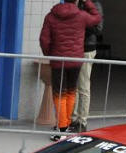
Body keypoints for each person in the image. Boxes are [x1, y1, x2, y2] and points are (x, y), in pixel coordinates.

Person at [40, 0, 101, 139]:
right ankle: (65, 125)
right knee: (71, 92)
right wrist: (88, 3)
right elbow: (97, 18)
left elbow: (44, 39)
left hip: (58, 61)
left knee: (59, 94)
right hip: (75, 60)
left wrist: (50, 54)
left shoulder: (51, 16)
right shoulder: (82, 16)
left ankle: (62, 129)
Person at [72, 0, 103, 133]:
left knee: (83, 86)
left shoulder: (95, 4)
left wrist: (81, 23)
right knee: (73, 85)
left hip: (86, 48)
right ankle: (72, 119)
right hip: (73, 48)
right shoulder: (75, 3)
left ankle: (81, 121)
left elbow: (98, 28)